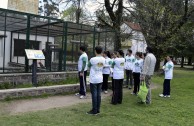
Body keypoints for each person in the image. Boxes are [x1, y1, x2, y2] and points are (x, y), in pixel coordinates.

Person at [87, 46, 105, 115]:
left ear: (95, 51)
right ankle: (98, 109)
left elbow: (88, 65)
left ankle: (94, 110)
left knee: (94, 95)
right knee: (99, 95)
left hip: (94, 79)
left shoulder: (92, 59)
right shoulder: (103, 59)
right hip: (100, 78)